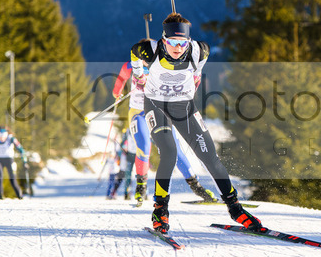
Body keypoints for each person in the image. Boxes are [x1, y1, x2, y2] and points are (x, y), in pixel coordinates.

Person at [130, 13, 262, 233]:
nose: (178, 48)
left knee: (209, 156)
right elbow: (134, 53)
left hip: (184, 106)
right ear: (163, 39)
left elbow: (198, 69)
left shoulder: (200, 50)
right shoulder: (149, 50)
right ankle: (160, 209)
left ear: (188, 41)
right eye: (173, 42)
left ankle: (235, 208)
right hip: (156, 105)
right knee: (169, 152)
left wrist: (196, 77)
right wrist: (139, 76)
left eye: (182, 43)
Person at [112, 59, 216, 205]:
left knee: (174, 150)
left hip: (159, 112)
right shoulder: (130, 66)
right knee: (144, 147)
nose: (146, 58)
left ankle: (197, 188)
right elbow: (119, 83)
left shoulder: (163, 64)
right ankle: (141, 187)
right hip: (138, 113)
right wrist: (118, 93)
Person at [0, 125, 28, 200]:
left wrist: (25, 161)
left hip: (9, 160)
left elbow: (21, 149)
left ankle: (19, 196)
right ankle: (0, 196)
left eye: (3, 136)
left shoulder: (11, 138)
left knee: (12, 178)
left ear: (6, 135)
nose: (1, 138)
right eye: (0, 136)